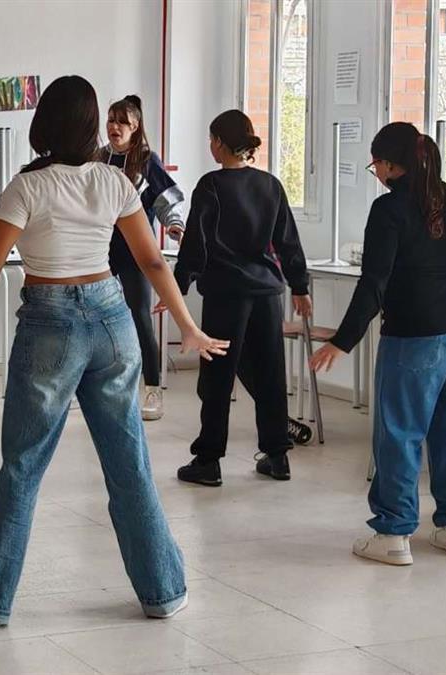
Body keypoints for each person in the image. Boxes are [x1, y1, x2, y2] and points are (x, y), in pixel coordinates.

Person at [0, 75, 228, 628]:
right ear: (89, 125)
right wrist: (188, 327)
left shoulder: (27, 187)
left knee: (23, 467)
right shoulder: (113, 181)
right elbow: (152, 263)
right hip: (111, 317)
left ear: (45, 123)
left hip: (50, 318)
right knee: (129, 462)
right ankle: (164, 591)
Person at [310, 122, 446, 566]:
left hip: (413, 337)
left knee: (399, 433)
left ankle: (394, 533)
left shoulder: (389, 210)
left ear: (388, 164)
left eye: (374, 164)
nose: (375, 172)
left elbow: (374, 283)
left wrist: (343, 341)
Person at [173, 109, 312, 487]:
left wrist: (178, 286)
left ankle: (208, 461)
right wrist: (299, 286)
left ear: (219, 142)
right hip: (268, 292)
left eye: (211, 139)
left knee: (217, 378)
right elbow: (288, 242)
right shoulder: (271, 185)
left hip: (225, 294)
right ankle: (277, 456)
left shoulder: (211, 185)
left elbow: (195, 245)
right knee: (269, 372)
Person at [100, 95, 187, 420]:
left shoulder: (148, 161)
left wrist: (176, 227)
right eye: (110, 120)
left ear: (135, 127)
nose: (114, 127)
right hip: (101, 252)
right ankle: (101, 387)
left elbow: (166, 203)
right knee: (98, 319)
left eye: (122, 122)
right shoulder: (98, 160)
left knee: (139, 317)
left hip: (135, 252)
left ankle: (152, 389)